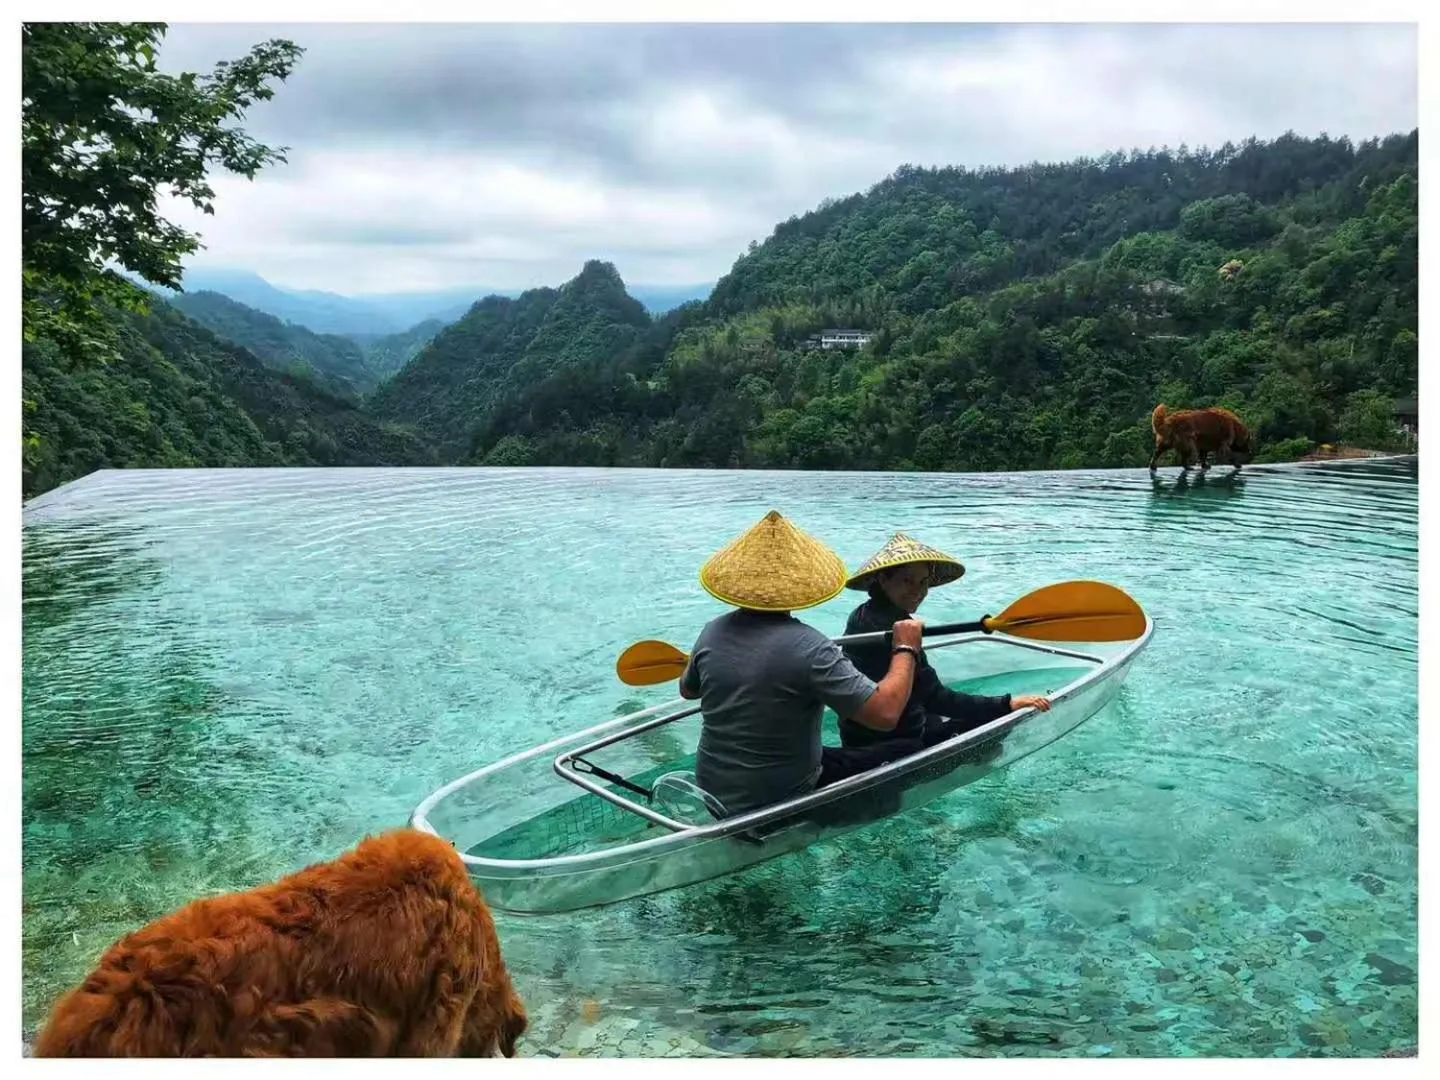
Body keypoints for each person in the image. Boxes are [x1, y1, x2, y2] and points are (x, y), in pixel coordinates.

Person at [676, 510, 931, 819]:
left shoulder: (711, 631)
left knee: (839, 754)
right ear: (801, 583)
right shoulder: (811, 648)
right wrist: (906, 647)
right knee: (908, 750)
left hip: (713, 789)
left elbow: (688, 691)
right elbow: (884, 714)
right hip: (780, 795)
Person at [839, 532, 1051, 751]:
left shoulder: (863, 615)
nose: (918, 592)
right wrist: (1005, 704)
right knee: (998, 721)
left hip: (862, 736)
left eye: (923, 582)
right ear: (883, 579)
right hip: (896, 745)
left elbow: (923, 692)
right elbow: (937, 698)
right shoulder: (892, 630)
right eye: (907, 581)